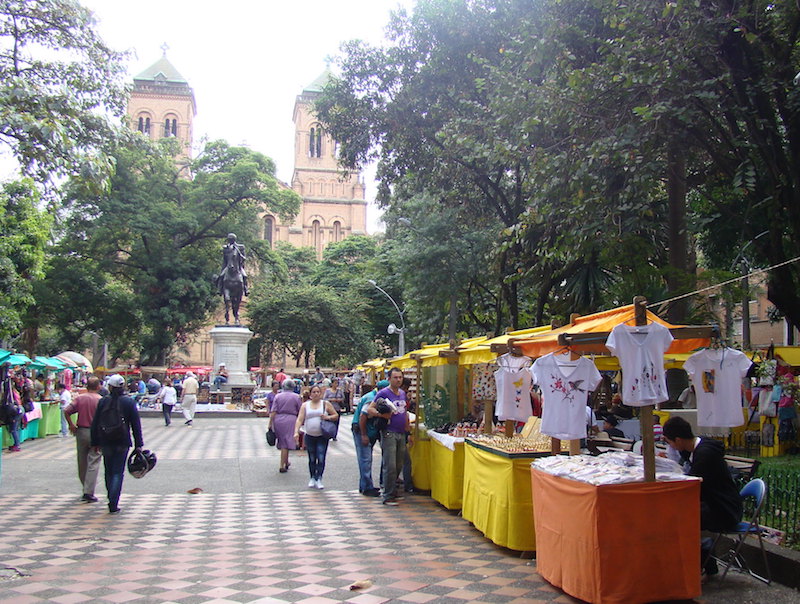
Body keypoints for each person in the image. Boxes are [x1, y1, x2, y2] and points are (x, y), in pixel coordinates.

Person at [662, 416, 743, 576]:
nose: (670, 446)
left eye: (669, 442)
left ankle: (702, 556)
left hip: (724, 510)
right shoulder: (697, 450)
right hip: (715, 504)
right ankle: (706, 560)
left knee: (675, 520)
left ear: (678, 440)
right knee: (675, 516)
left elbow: (692, 487)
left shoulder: (705, 455)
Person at [90, 374, 144, 514]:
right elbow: (135, 424)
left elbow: (95, 423)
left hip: (106, 441)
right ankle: (114, 501)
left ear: (110, 386)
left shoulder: (103, 401)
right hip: (122, 441)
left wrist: (95, 441)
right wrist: (139, 443)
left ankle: (110, 497)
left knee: (108, 470)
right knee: (118, 472)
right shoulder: (128, 402)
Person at [368, 367, 412, 506]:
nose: (398, 380)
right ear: (389, 379)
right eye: (395, 377)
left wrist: (408, 431)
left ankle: (393, 490)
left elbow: (404, 413)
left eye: (400, 377)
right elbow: (370, 409)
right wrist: (382, 415)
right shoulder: (383, 393)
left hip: (401, 433)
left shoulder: (403, 394)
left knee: (399, 463)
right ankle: (388, 495)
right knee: (390, 464)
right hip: (388, 432)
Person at [63, 376, 103, 502]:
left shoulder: (80, 398)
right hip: (95, 432)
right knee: (94, 461)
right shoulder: (100, 400)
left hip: (81, 431)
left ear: (87, 387)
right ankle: (88, 491)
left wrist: (71, 425)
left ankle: (84, 487)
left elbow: (67, 411)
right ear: (98, 387)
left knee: (82, 461)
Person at [294, 384, 339, 489]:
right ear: (310, 394)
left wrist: (327, 417)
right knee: (312, 458)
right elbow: (300, 419)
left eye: (318, 392)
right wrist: (296, 431)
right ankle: (312, 477)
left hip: (322, 436)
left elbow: (336, 415)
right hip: (309, 435)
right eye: (313, 392)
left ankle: (319, 478)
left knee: (321, 457)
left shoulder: (325, 404)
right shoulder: (305, 405)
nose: (316, 394)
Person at [352, 380, 389, 496]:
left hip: (369, 431)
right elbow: (363, 417)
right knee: (365, 459)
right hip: (362, 431)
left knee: (366, 459)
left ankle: (364, 485)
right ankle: (367, 487)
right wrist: (363, 435)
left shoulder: (374, 396)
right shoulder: (371, 399)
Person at [269, 378, 302, 473]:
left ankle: (286, 462)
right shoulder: (296, 397)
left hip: (278, 419)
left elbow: (273, 411)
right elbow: (300, 410)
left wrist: (270, 423)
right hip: (291, 419)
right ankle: (282, 464)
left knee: (283, 441)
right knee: (286, 442)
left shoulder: (278, 396)